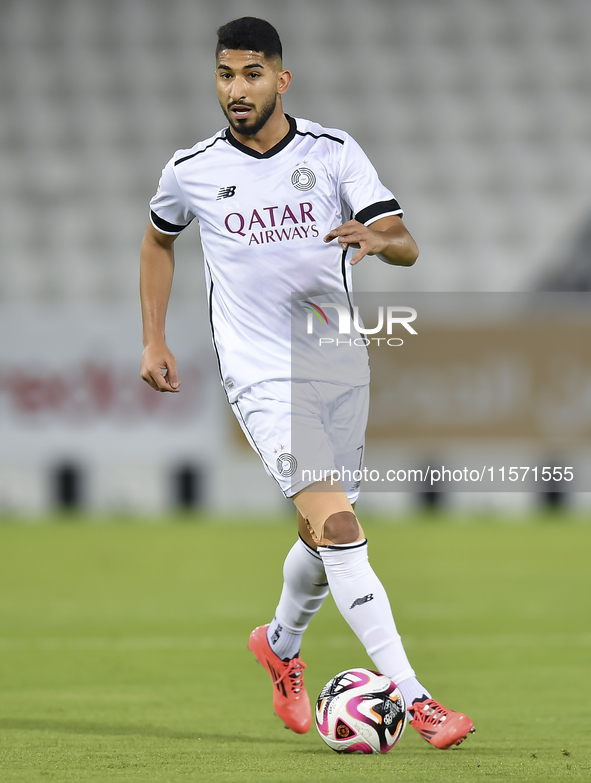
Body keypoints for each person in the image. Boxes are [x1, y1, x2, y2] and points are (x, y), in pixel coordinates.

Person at [140, 16, 474, 750]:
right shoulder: (189, 169)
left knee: (323, 539)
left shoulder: (331, 153)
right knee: (341, 527)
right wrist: (155, 336)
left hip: (335, 365)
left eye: (252, 73)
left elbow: (406, 244)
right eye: (226, 74)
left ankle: (279, 644)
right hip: (261, 373)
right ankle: (417, 702)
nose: (237, 88)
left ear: (280, 80)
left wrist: (375, 238)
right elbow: (159, 239)